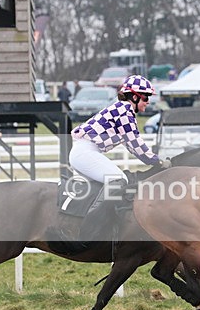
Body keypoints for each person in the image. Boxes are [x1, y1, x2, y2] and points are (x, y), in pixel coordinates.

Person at [69, 75, 168, 241]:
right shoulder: (124, 111)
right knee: (118, 179)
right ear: (134, 96)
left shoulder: (122, 109)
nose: (148, 102)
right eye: (146, 97)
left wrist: (152, 159)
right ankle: (92, 226)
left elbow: (130, 145)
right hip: (85, 152)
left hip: (86, 151)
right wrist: (157, 161)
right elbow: (135, 143)